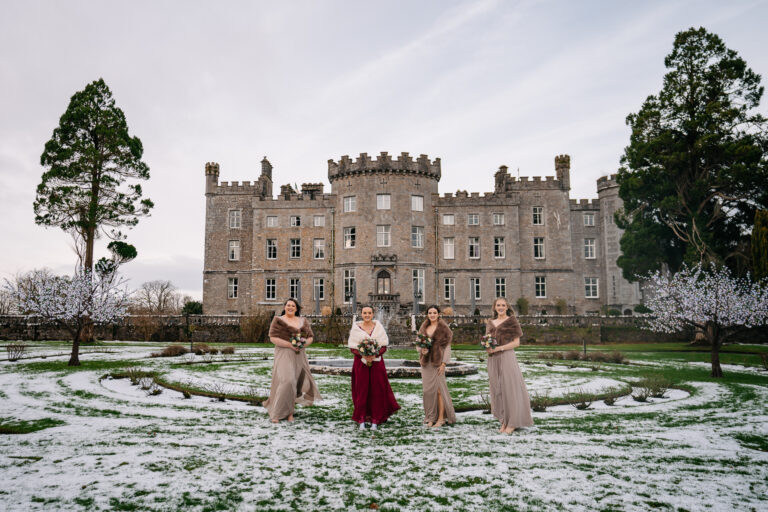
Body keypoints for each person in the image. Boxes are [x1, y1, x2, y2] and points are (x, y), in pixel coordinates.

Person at [263, 298, 321, 423]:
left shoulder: (302, 321)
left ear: (296, 308)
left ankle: (290, 413)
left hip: (299, 354)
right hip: (284, 352)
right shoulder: (278, 320)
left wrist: (303, 344)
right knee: (287, 381)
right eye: (288, 305)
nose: (290, 307)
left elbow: (310, 337)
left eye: (293, 306)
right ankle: (276, 413)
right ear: (284, 307)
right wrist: (289, 345)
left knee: (295, 383)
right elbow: (272, 337)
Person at [485, 297, 533, 433]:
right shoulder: (490, 323)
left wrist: (500, 348)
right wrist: (488, 348)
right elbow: (487, 340)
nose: (500, 307)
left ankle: (512, 422)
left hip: (506, 356)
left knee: (509, 388)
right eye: (498, 305)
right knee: (497, 389)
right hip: (493, 358)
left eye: (503, 305)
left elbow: (516, 343)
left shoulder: (512, 322)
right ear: (494, 307)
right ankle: (503, 421)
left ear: (507, 307)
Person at [347, 305, 400, 430]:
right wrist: (363, 355)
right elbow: (352, 347)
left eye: (369, 313)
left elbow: (384, 345)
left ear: (373, 314)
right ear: (361, 314)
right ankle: (361, 418)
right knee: (361, 390)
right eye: (364, 313)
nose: (367, 315)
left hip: (377, 364)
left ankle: (376, 418)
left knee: (377, 390)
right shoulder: (356, 328)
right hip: (361, 363)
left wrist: (374, 354)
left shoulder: (379, 328)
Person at [417, 305, 456, 428]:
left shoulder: (444, 329)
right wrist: (421, 350)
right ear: (427, 314)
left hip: (438, 363)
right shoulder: (424, 327)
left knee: (439, 391)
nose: (432, 315)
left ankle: (441, 418)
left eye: (434, 312)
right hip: (426, 363)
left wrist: (444, 363)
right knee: (428, 391)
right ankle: (430, 417)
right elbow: (418, 343)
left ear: (438, 314)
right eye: (430, 313)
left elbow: (447, 347)